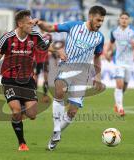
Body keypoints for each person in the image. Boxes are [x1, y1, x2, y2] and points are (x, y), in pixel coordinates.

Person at [36, 5, 106, 150]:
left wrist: (97, 77)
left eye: (102, 21)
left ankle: (55, 136)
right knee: (59, 91)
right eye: (98, 20)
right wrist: (40, 23)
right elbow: (50, 28)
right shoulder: (73, 26)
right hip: (66, 67)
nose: (100, 23)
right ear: (91, 17)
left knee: (72, 112)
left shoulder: (99, 37)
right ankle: (56, 129)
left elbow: (98, 57)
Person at [0, 10, 50, 151]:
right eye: (29, 23)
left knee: (32, 114)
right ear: (20, 24)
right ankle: (22, 143)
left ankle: (19, 106)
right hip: (10, 79)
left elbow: (46, 47)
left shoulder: (34, 36)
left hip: (27, 80)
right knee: (16, 112)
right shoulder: (7, 39)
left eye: (32, 22)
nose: (31, 25)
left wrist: (58, 51)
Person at [106, 11, 134, 116]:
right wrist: (107, 53)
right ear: (119, 19)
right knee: (119, 84)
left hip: (129, 62)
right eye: (122, 18)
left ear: (129, 20)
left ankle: (117, 103)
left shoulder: (133, 31)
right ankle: (120, 108)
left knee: (125, 85)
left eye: (126, 18)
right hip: (118, 61)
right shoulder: (114, 31)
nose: (124, 20)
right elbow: (111, 42)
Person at [34, 29, 52, 102]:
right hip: (36, 59)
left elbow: (50, 46)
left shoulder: (49, 36)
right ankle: (34, 95)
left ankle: (45, 95)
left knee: (46, 77)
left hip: (45, 59)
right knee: (35, 78)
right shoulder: (36, 35)